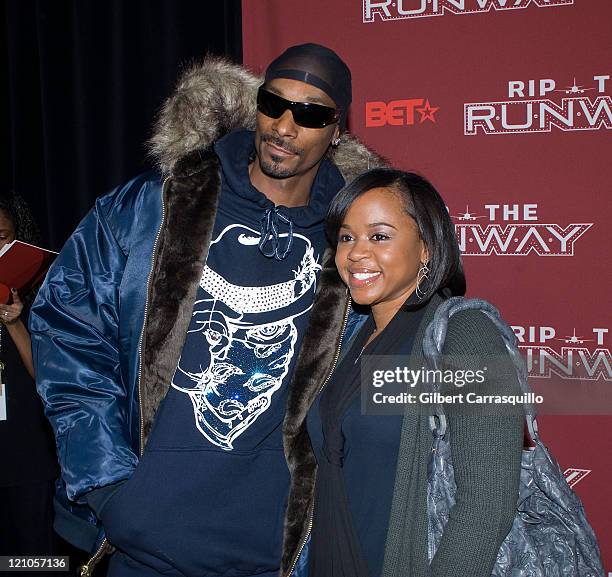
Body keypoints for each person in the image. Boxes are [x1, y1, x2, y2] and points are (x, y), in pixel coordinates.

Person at [29, 44, 382, 576]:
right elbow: (68, 331)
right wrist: (107, 488)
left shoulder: (353, 247)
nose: (286, 125)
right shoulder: (155, 206)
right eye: (274, 103)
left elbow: (385, 377)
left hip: (276, 553)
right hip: (145, 544)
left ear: (336, 130)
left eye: (311, 113)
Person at [279, 168, 525, 577]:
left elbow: (488, 503)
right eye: (346, 237)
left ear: (426, 247)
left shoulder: (467, 334)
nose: (356, 252)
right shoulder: (354, 338)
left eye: (379, 236)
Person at [0, 191, 59, 559]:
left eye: (1, 237)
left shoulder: (40, 295)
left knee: (33, 558)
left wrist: (15, 320)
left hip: (26, 453)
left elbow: (48, 378)